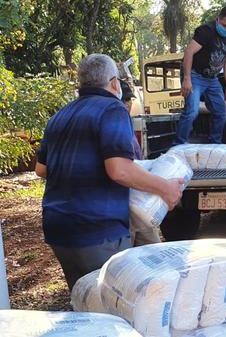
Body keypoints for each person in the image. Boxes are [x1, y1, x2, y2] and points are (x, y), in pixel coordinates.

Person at [35, 54, 183, 290]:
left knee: (83, 300)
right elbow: (119, 170)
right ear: (114, 83)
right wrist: (165, 188)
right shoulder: (112, 109)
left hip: (58, 228)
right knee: (112, 303)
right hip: (96, 228)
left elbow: (41, 169)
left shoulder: (60, 116)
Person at [174, 6, 226, 145]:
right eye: (224, 25)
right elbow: (189, 53)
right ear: (217, 20)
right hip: (195, 75)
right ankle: (179, 144)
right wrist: (187, 78)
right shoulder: (205, 31)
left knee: (222, 113)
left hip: (212, 79)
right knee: (192, 111)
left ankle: (214, 143)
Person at [119, 79, 161, 246]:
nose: (127, 105)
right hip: (124, 200)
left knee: (153, 249)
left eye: (129, 100)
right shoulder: (112, 121)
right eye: (124, 100)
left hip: (139, 198)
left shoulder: (126, 120)